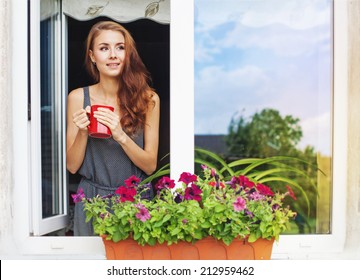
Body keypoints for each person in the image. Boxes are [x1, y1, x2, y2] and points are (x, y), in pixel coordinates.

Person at [66, 21, 160, 236]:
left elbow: (150, 166)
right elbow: (72, 166)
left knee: (131, 269)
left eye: (120, 47)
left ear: (128, 54)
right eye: (104, 48)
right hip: (92, 199)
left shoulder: (148, 99)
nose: (113, 55)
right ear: (92, 56)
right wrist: (83, 131)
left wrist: (119, 135)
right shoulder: (78, 97)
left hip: (135, 200)